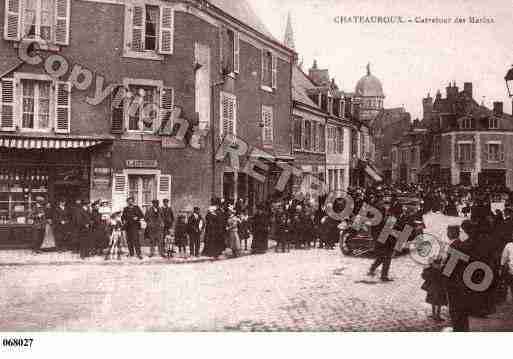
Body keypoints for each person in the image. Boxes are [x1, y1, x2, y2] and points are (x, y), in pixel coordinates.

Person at [421, 257, 448, 322]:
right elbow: (424, 276)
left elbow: (424, 276)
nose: (438, 265)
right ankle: (436, 315)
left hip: (435, 289)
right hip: (437, 289)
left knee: (436, 302)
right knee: (437, 302)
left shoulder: (432, 269)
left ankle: (436, 315)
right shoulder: (440, 270)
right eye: (437, 264)